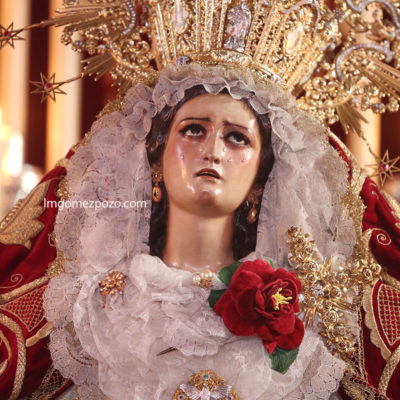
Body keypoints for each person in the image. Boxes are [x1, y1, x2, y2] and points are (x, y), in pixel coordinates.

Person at [1, 1, 400, 399]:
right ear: (155, 159)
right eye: (193, 130)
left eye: (237, 137)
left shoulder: (306, 325)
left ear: (261, 178)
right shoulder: (96, 314)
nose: (213, 151)